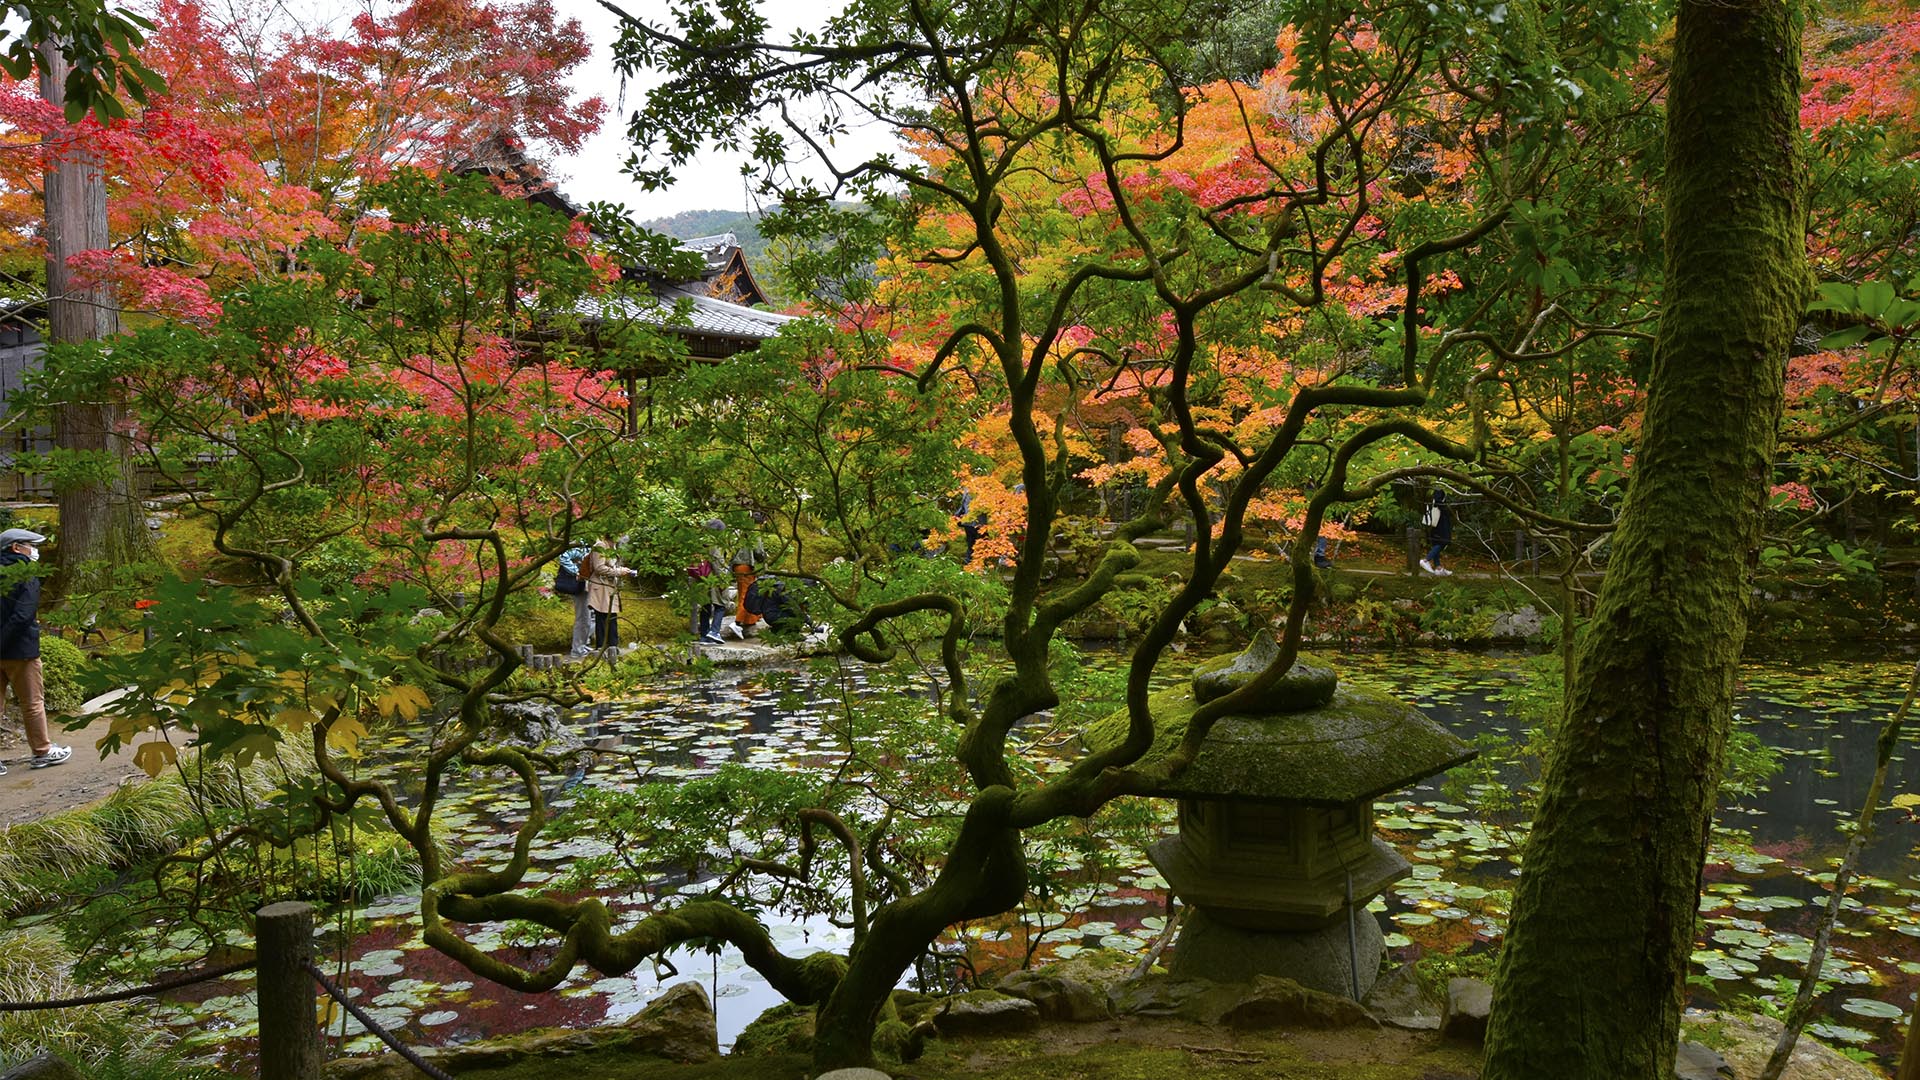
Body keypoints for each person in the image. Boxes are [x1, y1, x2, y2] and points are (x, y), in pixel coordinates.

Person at [0, 528, 66, 773]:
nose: (34, 550)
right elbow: (23, 615)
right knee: (32, 703)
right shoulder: (26, 575)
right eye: (31, 545)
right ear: (16, 548)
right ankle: (42, 752)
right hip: (21, 653)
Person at [583, 539, 638, 651]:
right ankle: (602, 648)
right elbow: (599, 567)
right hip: (600, 586)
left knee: (612, 617)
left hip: (609, 585)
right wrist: (618, 572)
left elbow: (611, 566)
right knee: (602, 617)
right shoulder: (601, 545)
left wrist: (622, 571)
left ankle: (613, 647)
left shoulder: (612, 546)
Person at [556, 542, 592, 657]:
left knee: (590, 617)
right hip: (580, 585)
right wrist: (577, 572)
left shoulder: (591, 544)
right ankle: (577, 650)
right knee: (583, 617)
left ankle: (582, 644)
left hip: (591, 584)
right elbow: (564, 556)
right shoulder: (581, 544)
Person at [1420, 491, 1455, 577]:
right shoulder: (1439, 498)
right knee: (1442, 542)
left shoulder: (1436, 499)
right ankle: (1426, 560)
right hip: (1441, 526)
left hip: (1436, 525)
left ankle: (1438, 567)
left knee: (1437, 543)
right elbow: (1438, 501)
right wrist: (1445, 508)